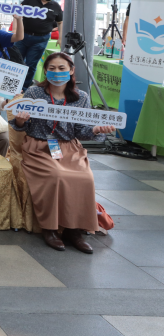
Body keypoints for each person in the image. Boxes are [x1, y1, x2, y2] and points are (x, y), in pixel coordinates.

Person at [11, 52, 114, 253]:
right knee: (56, 175)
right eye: (52, 69)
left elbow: (81, 130)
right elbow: (21, 126)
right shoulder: (34, 93)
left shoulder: (81, 97)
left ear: (71, 71)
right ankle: (49, 229)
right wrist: (21, 120)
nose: (56, 73)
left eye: (61, 69)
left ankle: (73, 230)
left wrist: (96, 130)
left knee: (85, 177)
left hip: (69, 148)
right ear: (45, 71)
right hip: (39, 146)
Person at [14, 0, 63, 90]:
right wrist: (15, 29)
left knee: (31, 65)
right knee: (16, 62)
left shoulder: (55, 6)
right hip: (23, 36)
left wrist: (60, 38)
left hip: (40, 39)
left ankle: (24, 88)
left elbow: (60, 22)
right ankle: (12, 86)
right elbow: (17, 12)